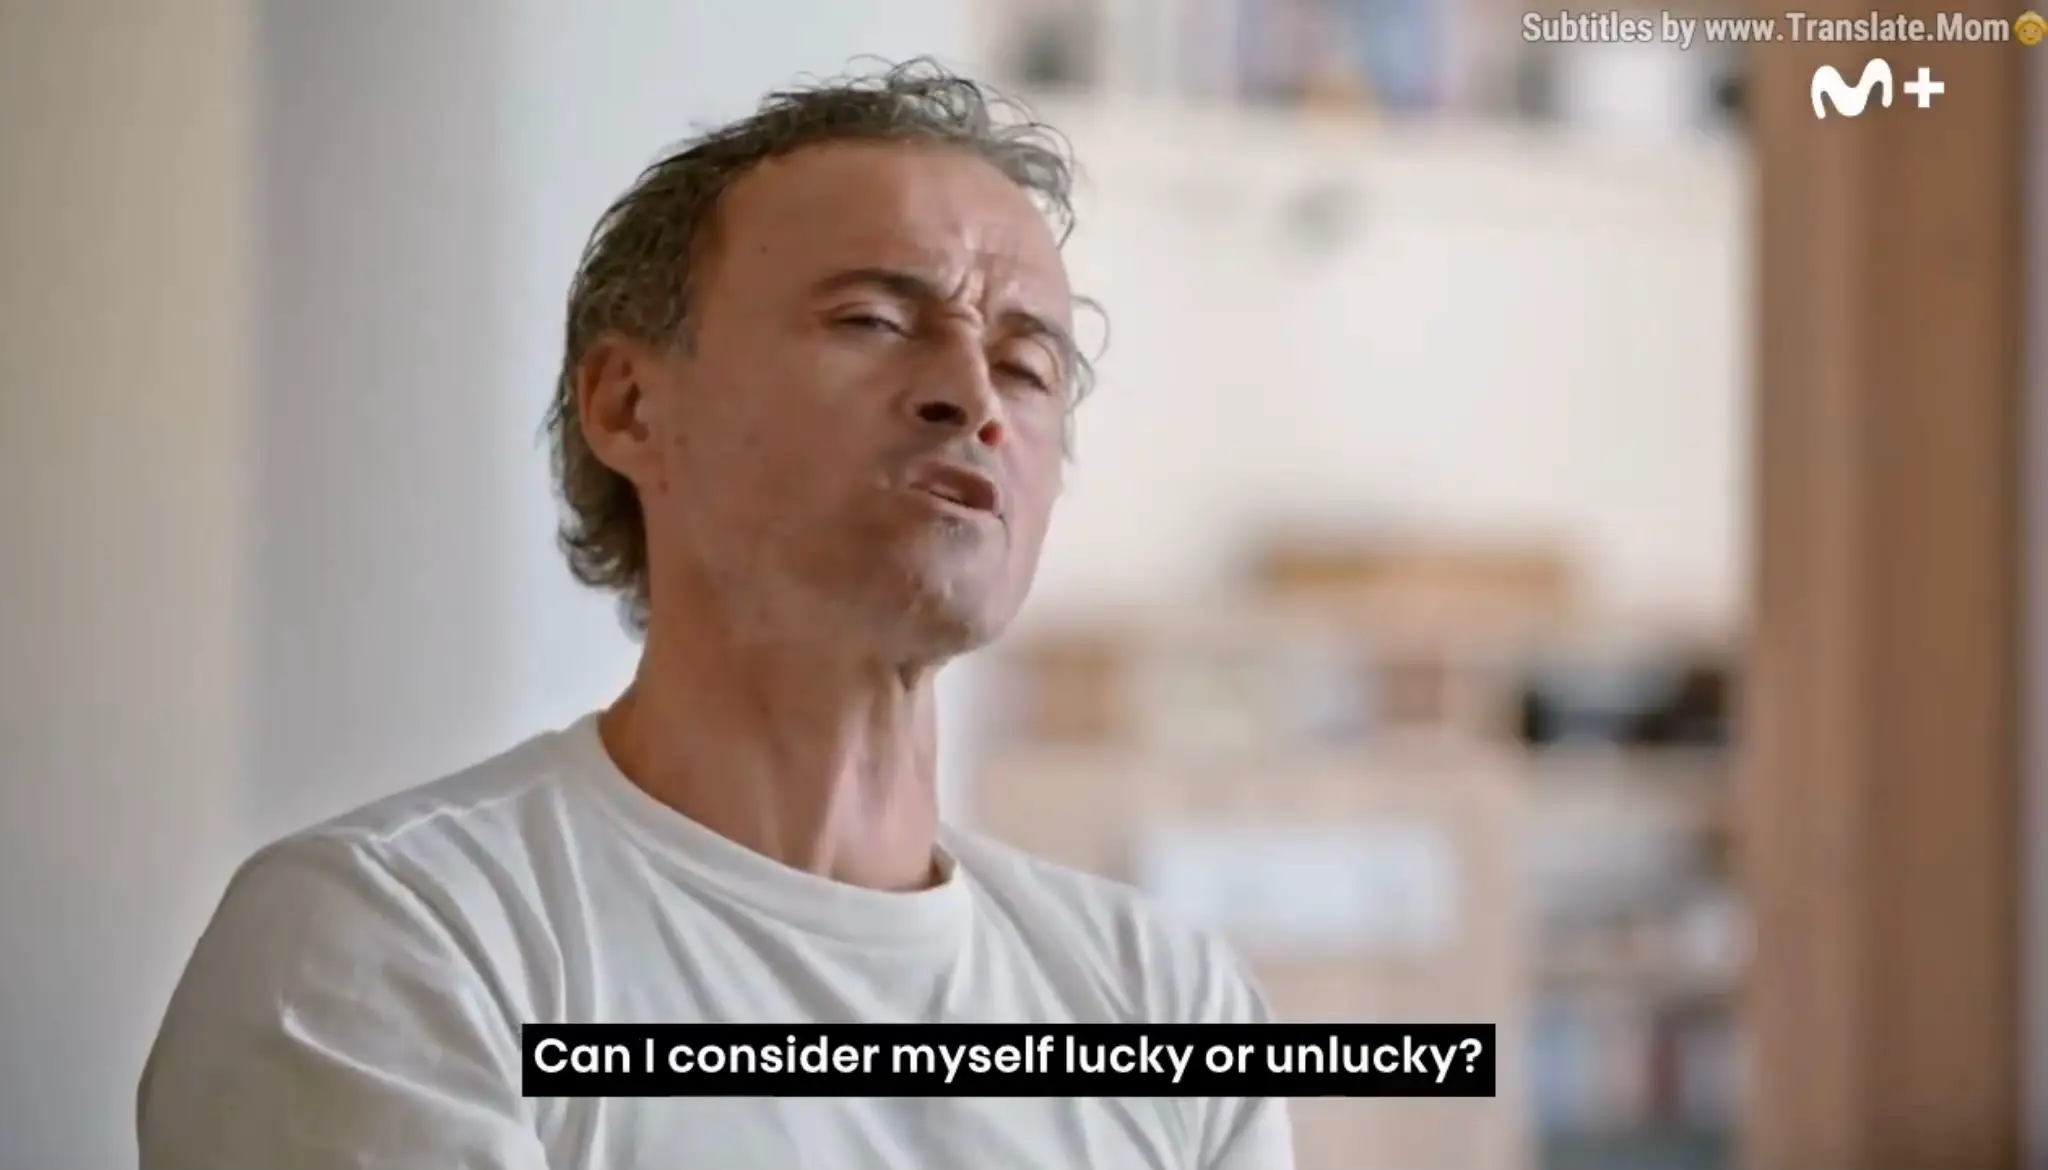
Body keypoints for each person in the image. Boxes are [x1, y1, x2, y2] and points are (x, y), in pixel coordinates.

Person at [137, 60, 1295, 1170]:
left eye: (1026, 366)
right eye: (873, 320)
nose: (971, 397)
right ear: (630, 406)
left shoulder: (1164, 1002)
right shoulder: (396, 937)